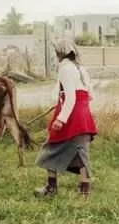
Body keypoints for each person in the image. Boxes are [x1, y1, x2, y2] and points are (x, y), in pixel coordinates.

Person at [34, 37, 98, 198]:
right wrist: (60, 100)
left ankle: (51, 188)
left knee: (51, 148)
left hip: (71, 115)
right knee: (81, 152)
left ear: (59, 53)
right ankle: (84, 192)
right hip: (83, 114)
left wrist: (61, 118)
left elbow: (71, 97)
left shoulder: (65, 69)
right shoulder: (79, 68)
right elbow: (88, 95)